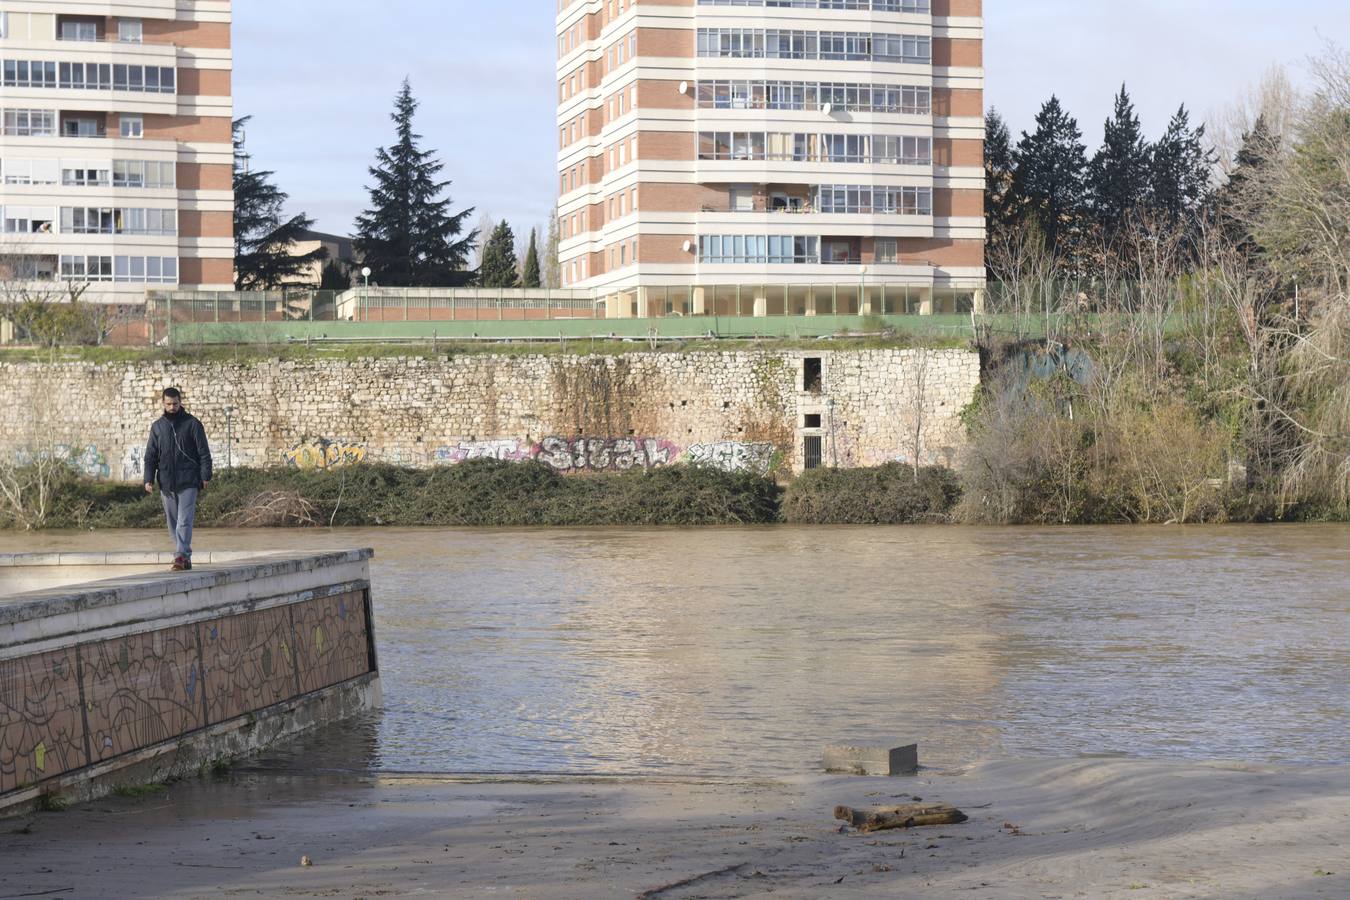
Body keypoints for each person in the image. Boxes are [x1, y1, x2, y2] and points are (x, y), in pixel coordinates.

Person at [143, 387, 212, 571]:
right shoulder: (158, 427)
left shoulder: (193, 424)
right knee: (172, 522)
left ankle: (180, 556)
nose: (172, 407)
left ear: (180, 402)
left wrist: (205, 475)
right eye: (168, 404)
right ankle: (184, 557)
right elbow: (150, 455)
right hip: (166, 481)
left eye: (175, 403)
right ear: (163, 404)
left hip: (189, 480)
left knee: (184, 520)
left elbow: (204, 453)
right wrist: (148, 478)